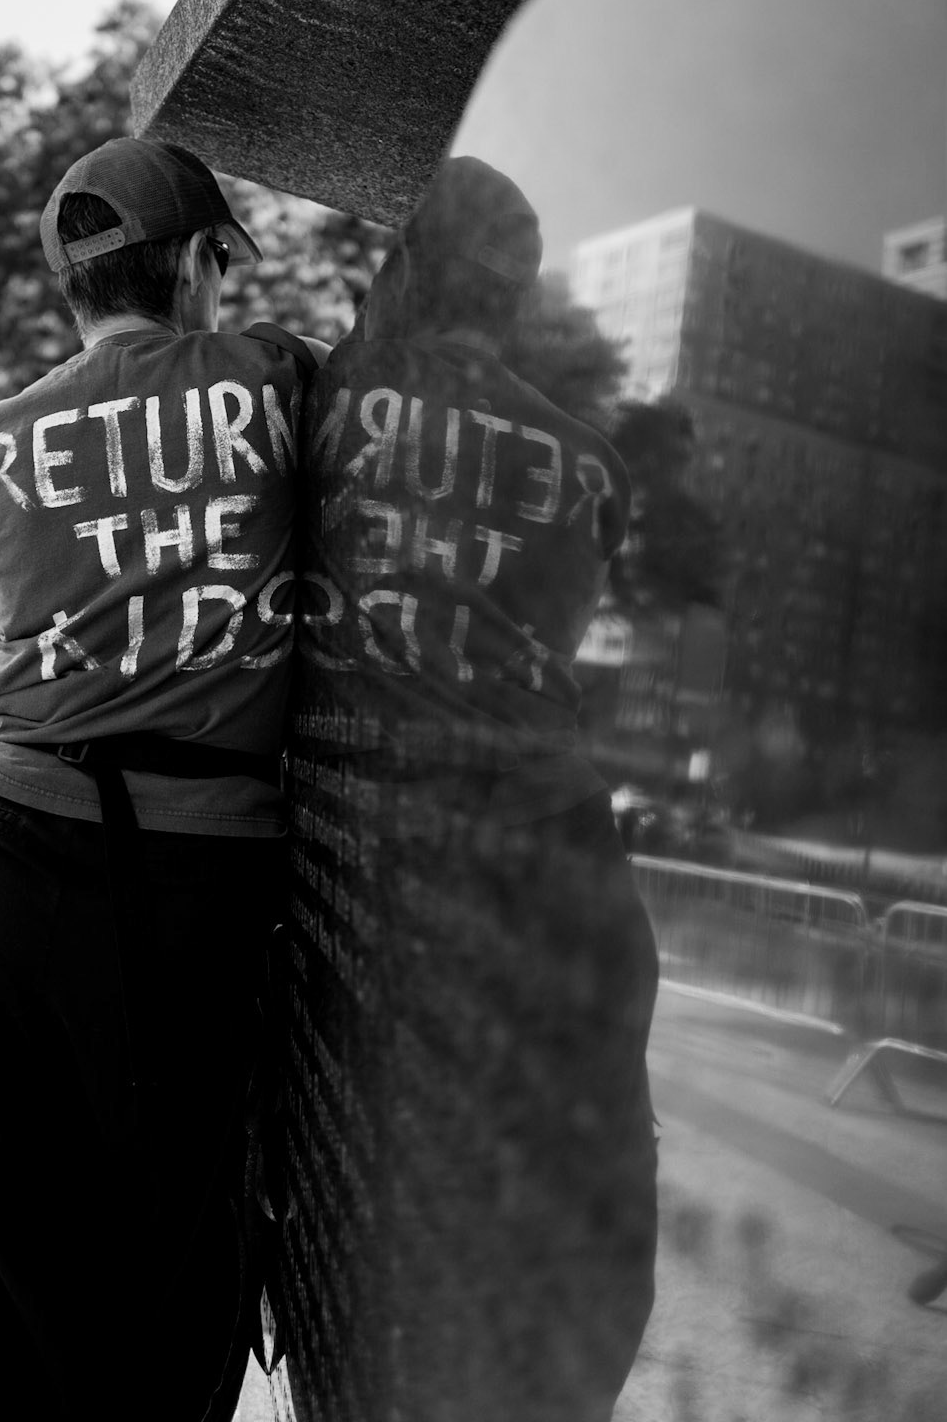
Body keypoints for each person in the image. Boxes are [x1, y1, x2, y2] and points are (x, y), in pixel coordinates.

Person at [0, 136, 324, 1422]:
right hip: (178, 891)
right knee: (169, 1298)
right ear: (191, 261)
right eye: (219, 263)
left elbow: (2, 657)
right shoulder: (280, 376)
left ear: (74, 282)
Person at [284, 158, 658, 1422]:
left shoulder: (314, 396)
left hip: (395, 860)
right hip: (558, 854)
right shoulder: (592, 464)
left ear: (404, 264)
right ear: (518, 296)